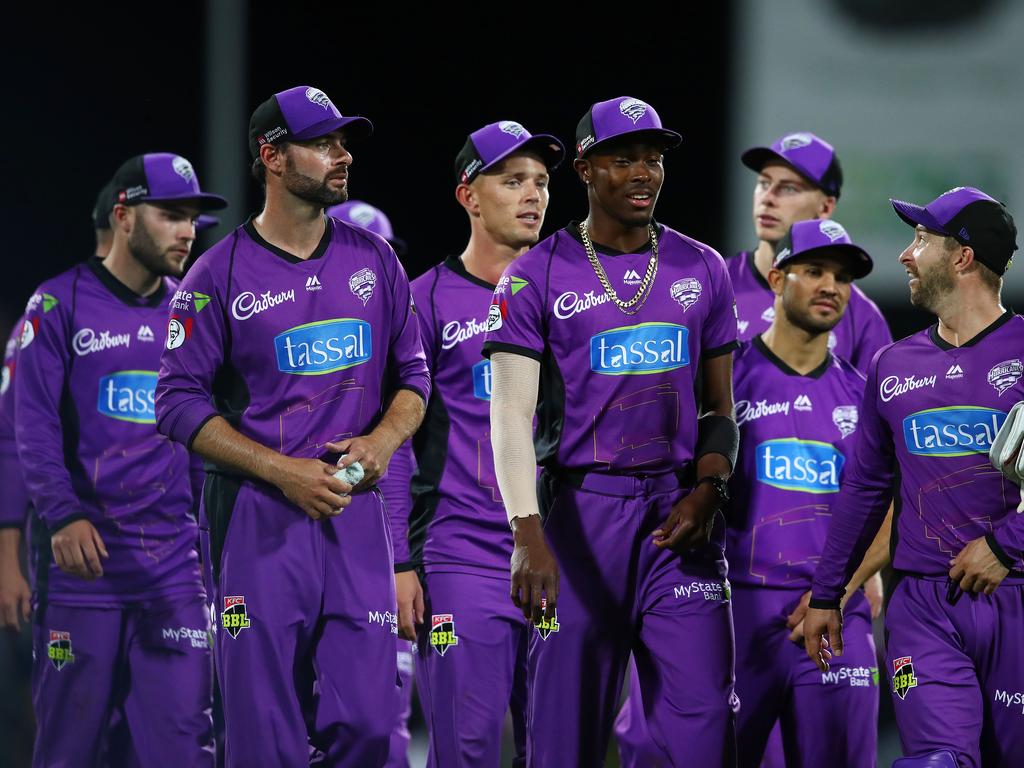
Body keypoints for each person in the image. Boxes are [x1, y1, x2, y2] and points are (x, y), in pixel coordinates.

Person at [155, 85, 430, 767]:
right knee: (262, 734)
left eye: (343, 144)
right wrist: (282, 472)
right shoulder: (215, 276)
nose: (341, 157)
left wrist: (382, 440)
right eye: (322, 143)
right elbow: (176, 402)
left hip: (355, 520)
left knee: (370, 725)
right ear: (272, 156)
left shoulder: (376, 260)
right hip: (256, 520)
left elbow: (414, 381)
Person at [484, 96, 739, 766]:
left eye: (653, 158)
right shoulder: (534, 275)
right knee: (565, 733)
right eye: (624, 158)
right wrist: (527, 531)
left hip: (678, 521)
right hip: (579, 519)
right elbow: (509, 413)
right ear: (587, 169)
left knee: (704, 723)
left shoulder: (703, 268)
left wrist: (711, 486)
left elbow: (720, 408)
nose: (644, 172)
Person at [15, 153, 227, 766]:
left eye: (193, 218)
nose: (188, 231)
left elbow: (203, 432)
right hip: (84, 572)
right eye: (171, 215)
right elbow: (32, 425)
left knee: (185, 745)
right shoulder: (57, 305)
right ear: (124, 216)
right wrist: (61, 515)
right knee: (71, 745)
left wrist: (205, 541)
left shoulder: (192, 312)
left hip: (173, 573)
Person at [804, 187, 1023, 768]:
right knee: (936, 760)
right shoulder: (891, 364)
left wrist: (1007, 545)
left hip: (1017, 594)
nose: (906, 254)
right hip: (924, 606)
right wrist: (829, 592)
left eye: (922, 239)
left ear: (962, 258)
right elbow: (865, 489)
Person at [385, 121, 564, 767]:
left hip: (561, 560)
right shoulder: (423, 302)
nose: (532, 195)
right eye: (512, 180)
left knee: (557, 749)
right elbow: (397, 444)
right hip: (464, 558)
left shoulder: (572, 297)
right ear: (468, 195)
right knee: (468, 750)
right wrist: (400, 560)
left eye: (541, 182)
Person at [720, 219, 883, 766]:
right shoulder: (723, 380)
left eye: (841, 277)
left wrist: (834, 593)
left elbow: (896, 513)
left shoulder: (865, 398)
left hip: (834, 615)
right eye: (813, 270)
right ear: (775, 279)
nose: (830, 286)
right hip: (735, 612)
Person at [327, 197, 417, 768]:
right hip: (298, 544)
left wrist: (404, 561)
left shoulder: (405, 368)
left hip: (381, 558)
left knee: (383, 726)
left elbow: (408, 467)